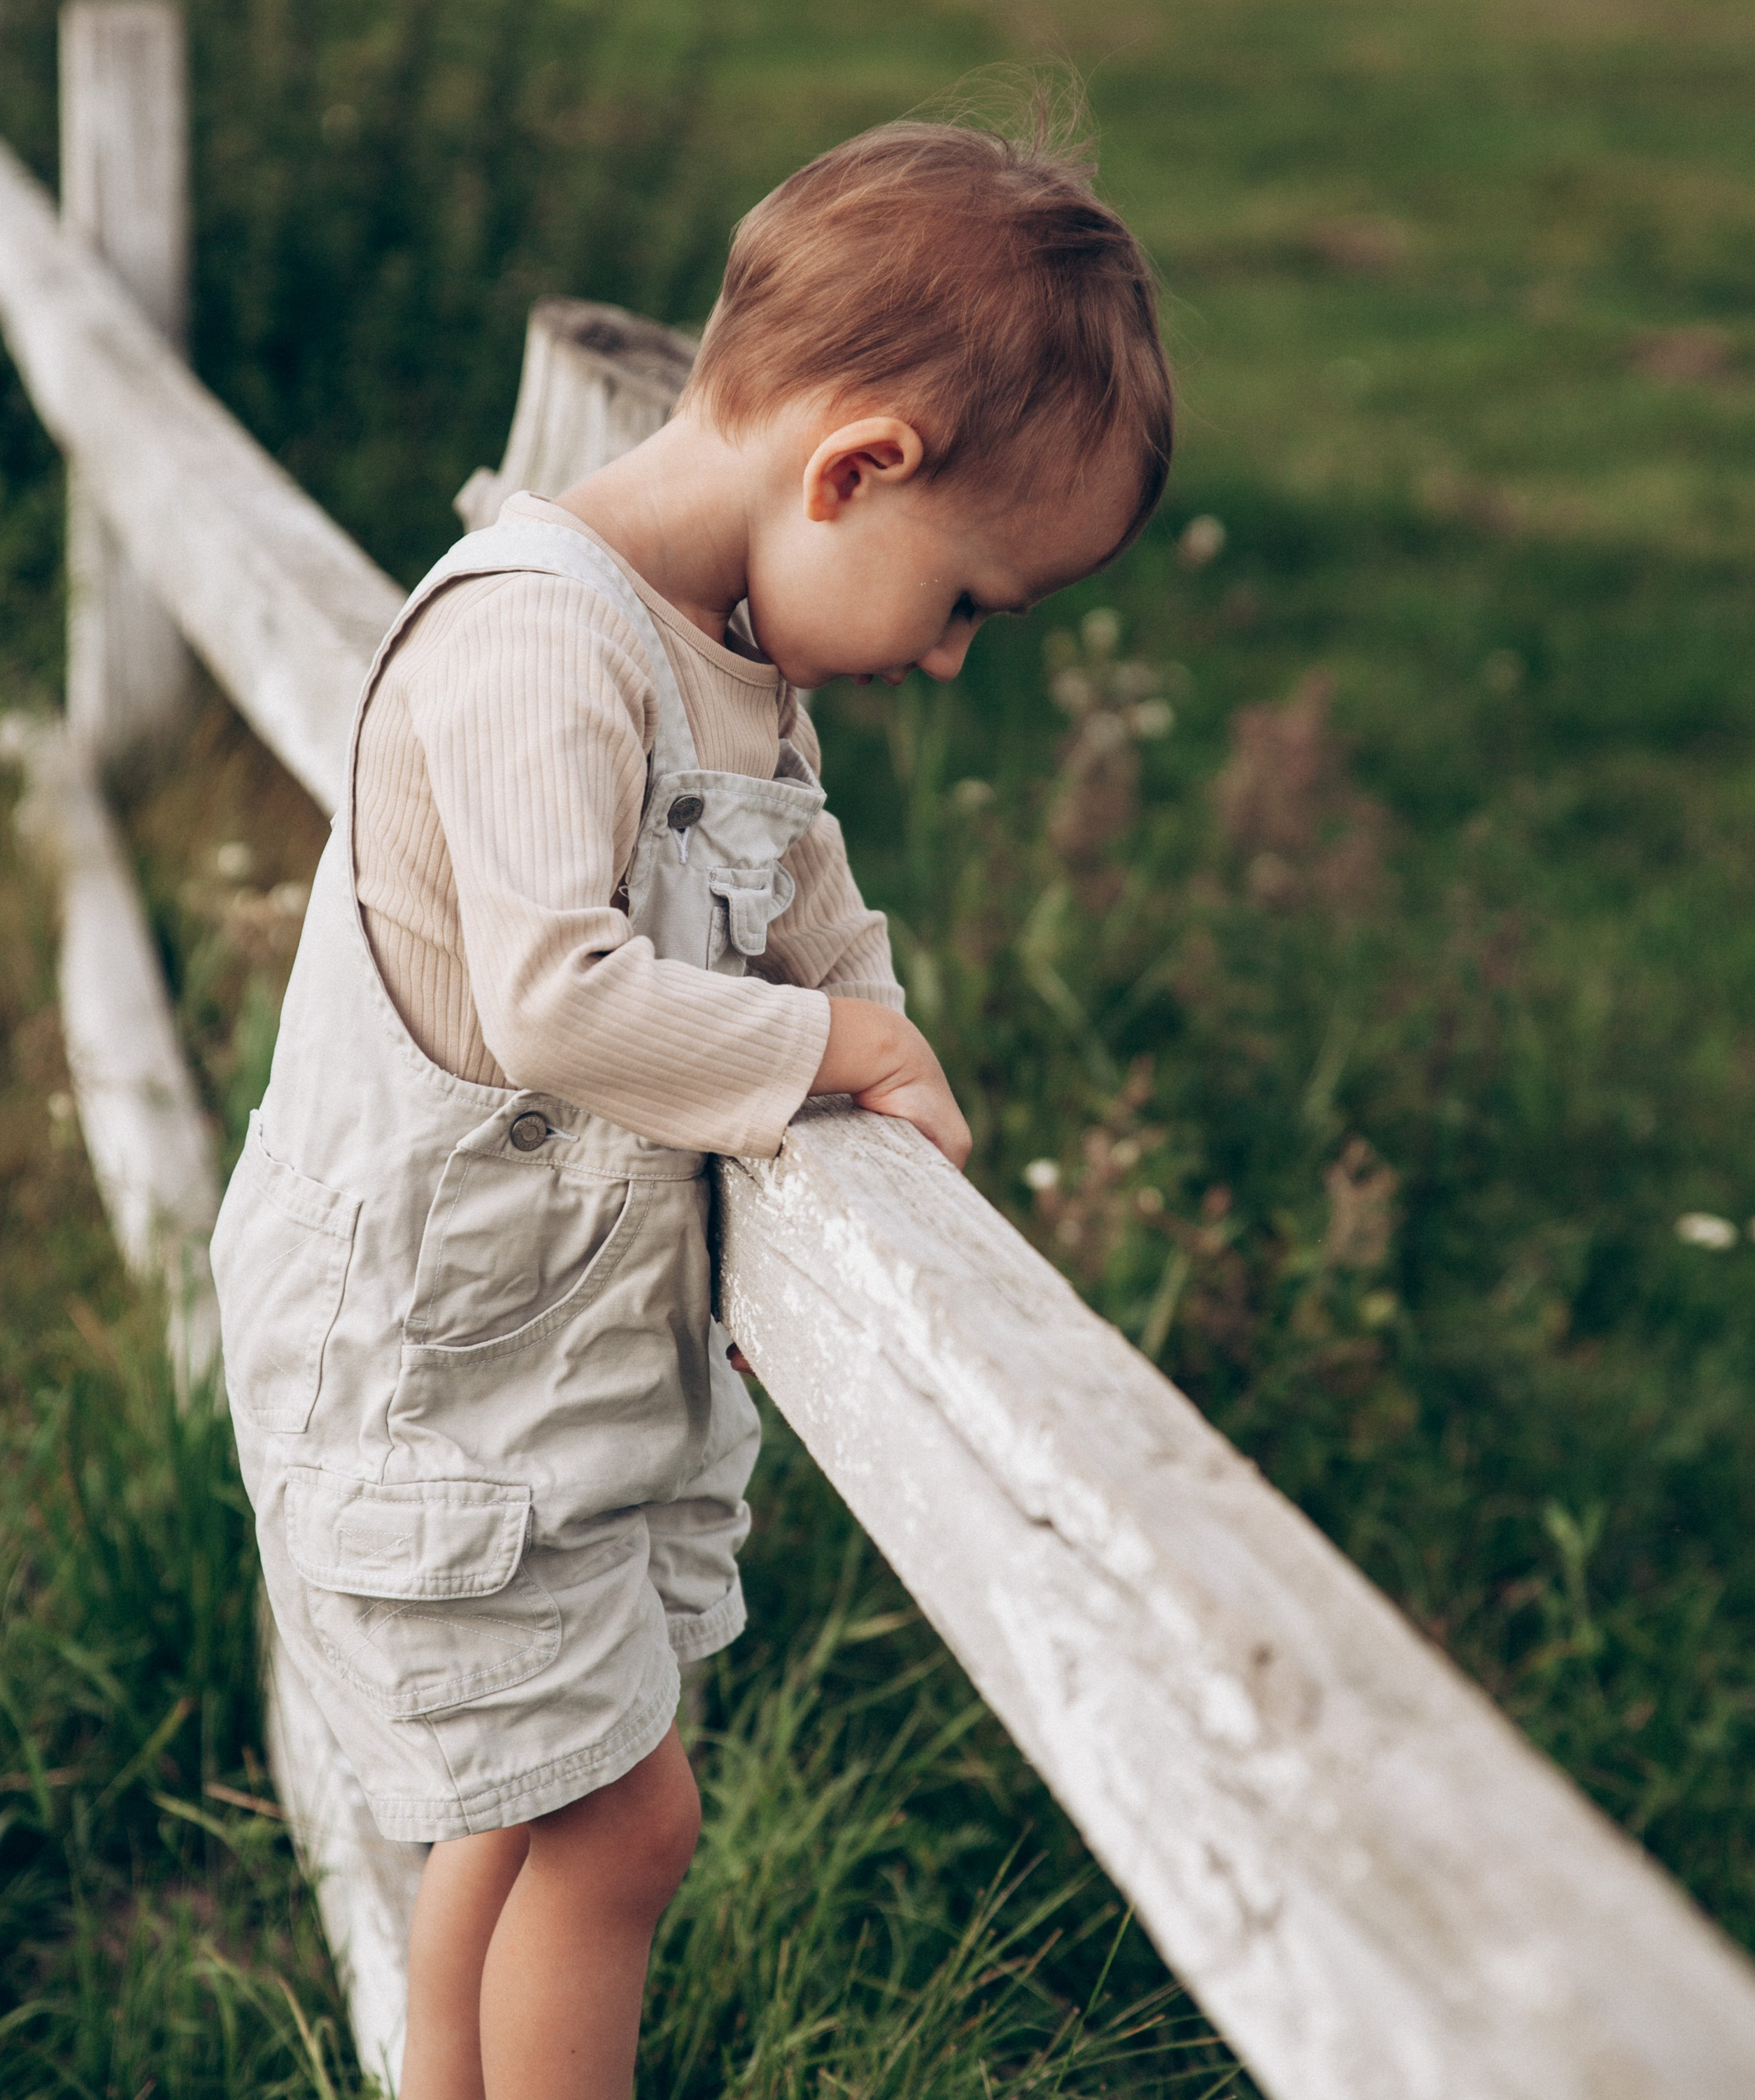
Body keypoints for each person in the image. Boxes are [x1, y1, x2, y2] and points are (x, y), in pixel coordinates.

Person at [210, 110, 1173, 2100]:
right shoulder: (541, 644)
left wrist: (876, 1032)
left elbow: (818, 911)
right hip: (431, 1399)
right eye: (970, 598)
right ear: (855, 467)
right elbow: (559, 998)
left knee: (522, 1807)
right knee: (625, 1826)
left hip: (535, 1393)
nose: (955, 659)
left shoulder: (733, 657)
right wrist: (835, 1057)